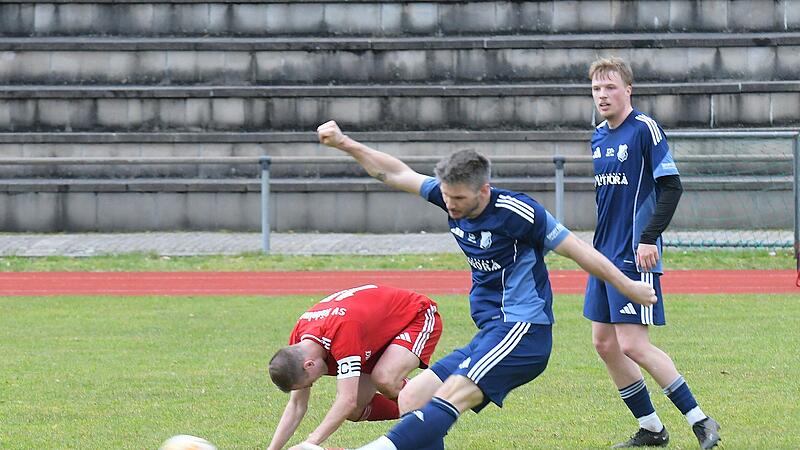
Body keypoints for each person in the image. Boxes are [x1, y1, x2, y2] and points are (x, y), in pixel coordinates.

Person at [302, 120, 658, 450]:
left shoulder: (519, 212)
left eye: (459, 199)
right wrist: (346, 143)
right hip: (491, 331)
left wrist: (628, 286)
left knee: (451, 396)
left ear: (483, 190)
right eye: (446, 197)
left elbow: (579, 250)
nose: (451, 205)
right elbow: (394, 173)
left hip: (524, 331)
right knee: (413, 398)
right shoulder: (447, 196)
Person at [585, 56, 721, 449]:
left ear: (628, 89)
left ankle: (701, 420)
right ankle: (651, 429)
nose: (603, 95)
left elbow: (672, 186)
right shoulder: (598, 136)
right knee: (605, 344)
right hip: (603, 255)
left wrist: (649, 237)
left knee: (632, 344)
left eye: (610, 87)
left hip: (634, 253)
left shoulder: (644, 129)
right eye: (597, 88)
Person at [267, 284, 443, 450]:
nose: (311, 385)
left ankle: (436, 402)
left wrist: (311, 443)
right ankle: (430, 407)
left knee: (385, 379)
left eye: (308, 383)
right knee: (356, 410)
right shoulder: (299, 345)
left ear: (309, 364)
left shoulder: (342, 334)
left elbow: (346, 399)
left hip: (415, 316)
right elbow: (297, 404)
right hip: (370, 336)